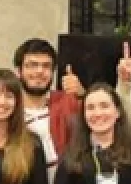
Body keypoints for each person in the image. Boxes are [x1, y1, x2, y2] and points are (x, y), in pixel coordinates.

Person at [11, 38, 82, 171]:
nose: (39, 71)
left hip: (64, 181)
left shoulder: (67, 102)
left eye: (46, 66)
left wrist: (82, 94)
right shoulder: (8, 109)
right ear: (18, 71)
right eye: (32, 65)